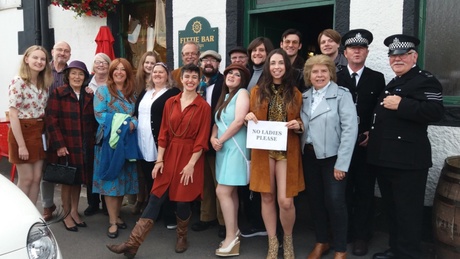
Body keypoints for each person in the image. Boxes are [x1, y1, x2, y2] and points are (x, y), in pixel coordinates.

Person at [107, 63, 211, 257]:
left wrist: (191, 164)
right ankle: (132, 244)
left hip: (190, 158)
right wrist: (160, 160)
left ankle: (182, 236)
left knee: (182, 201)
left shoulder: (203, 107)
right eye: (186, 76)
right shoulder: (171, 102)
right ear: (181, 79)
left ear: (199, 81)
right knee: (155, 198)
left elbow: (202, 139)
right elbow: (163, 133)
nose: (189, 80)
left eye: (194, 78)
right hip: (169, 155)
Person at [367, 34, 444, 259]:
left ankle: (409, 254)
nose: (397, 59)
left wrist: (402, 104)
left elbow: (436, 112)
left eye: (402, 55)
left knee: (408, 213)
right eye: (393, 55)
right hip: (387, 158)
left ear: (414, 56)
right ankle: (396, 250)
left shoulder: (425, 80)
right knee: (393, 210)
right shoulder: (395, 81)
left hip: (408, 161)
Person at [245, 49, 304, 259]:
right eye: (273, 63)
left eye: (281, 63)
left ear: (286, 67)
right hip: (263, 151)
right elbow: (249, 115)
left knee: (286, 201)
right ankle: (272, 241)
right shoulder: (257, 91)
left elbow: (302, 120)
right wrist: (248, 115)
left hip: (287, 150)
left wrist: (299, 124)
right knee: (267, 197)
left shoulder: (296, 93)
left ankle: (287, 240)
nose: (277, 67)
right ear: (268, 67)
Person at [301, 54, 358, 259]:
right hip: (309, 157)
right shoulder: (304, 97)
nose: (319, 75)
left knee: (335, 202)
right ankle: (322, 242)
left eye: (323, 71)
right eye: (315, 71)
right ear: (309, 74)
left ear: (330, 73)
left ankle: (340, 249)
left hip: (333, 158)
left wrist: (342, 164)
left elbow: (350, 131)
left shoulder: (342, 95)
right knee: (315, 201)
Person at [336, 29, 386, 256]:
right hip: (340, 145)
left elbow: (380, 110)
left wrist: (372, 133)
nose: (357, 51)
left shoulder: (377, 78)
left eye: (361, 48)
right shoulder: (335, 76)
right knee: (342, 190)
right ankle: (343, 232)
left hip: (365, 145)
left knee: (365, 191)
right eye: (352, 48)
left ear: (366, 51)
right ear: (344, 53)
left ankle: (361, 236)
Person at [45, 60, 97, 232]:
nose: (77, 77)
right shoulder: (58, 93)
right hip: (66, 144)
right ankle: (66, 214)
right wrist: (59, 145)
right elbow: (51, 121)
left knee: (78, 181)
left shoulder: (89, 95)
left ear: (85, 77)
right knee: (67, 181)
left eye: (80, 74)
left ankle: (75, 211)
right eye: (73, 73)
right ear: (67, 75)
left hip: (84, 144)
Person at [93, 58, 139, 239]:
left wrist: (132, 122)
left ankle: (117, 215)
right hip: (108, 143)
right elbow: (100, 115)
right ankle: (112, 221)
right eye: (116, 69)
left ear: (128, 72)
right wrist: (125, 122)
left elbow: (135, 115)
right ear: (111, 72)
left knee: (121, 181)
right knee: (111, 181)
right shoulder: (103, 91)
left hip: (126, 142)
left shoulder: (132, 94)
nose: (119, 72)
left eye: (123, 69)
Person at [133, 62, 181, 227]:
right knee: (149, 177)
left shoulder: (173, 93)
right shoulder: (146, 92)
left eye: (161, 72)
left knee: (164, 179)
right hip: (143, 141)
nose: (158, 75)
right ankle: (156, 213)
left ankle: (169, 214)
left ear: (168, 75)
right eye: (155, 72)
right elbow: (136, 113)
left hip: (161, 142)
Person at [212, 63, 251, 256]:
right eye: (230, 73)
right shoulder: (225, 96)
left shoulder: (242, 93)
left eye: (237, 75)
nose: (232, 76)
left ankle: (230, 238)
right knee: (231, 192)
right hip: (223, 148)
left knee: (223, 191)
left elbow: (238, 122)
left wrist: (221, 139)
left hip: (235, 148)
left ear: (242, 80)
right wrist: (213, 137)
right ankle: (234, 231)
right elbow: (218, 121)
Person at [8, 45, 52, 205]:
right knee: (26, 179)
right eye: (35, 57)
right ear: (26, 59)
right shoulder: (18, 81)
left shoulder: (43, 83)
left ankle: (33, 217)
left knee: (36, 178)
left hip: (38, 132)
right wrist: (21, 146)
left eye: (42, 59)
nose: (39, 61)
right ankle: (19, 216)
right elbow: (13, 115)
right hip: (22, 132)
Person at [191, 50, 226, 238]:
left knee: (219, 181)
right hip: (199, 139)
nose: (209, 63)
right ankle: (207, 217)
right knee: (205, 182)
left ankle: (222, 220)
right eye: (205, 60)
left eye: (213, 60)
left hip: (217, 138)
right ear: (201, 63)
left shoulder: (223, 83)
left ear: (218, 64)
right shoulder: (198, 84)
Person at [41, 41, 72, 221]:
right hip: (44, 127)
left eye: (66, 51)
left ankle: (67, 207)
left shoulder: (72, 72)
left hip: (66, 127)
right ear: (52, 51)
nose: (62, 53)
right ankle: (47, 205)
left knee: (65, 165)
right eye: (59, 49)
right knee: (46, 167)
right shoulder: (43, 71)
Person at [84, 52, 111, 217]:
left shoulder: (114, 83)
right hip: (90, 130)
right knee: (91, 166)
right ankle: (93, 202)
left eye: (104, 63)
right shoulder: (86, 83)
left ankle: (108, 205)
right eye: (97, 62)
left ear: (109, 65)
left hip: (108, 128)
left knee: (106, 165)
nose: (101, 65)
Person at [132, 51, 158, 215]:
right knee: (140, 170)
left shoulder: (161, 84)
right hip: (137, 130)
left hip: (152, 134)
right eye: (146, 62)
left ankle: (149, 201)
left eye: (152, 63)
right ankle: (141, 199)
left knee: (151, 169)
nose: (149, 66)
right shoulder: (136, 82)